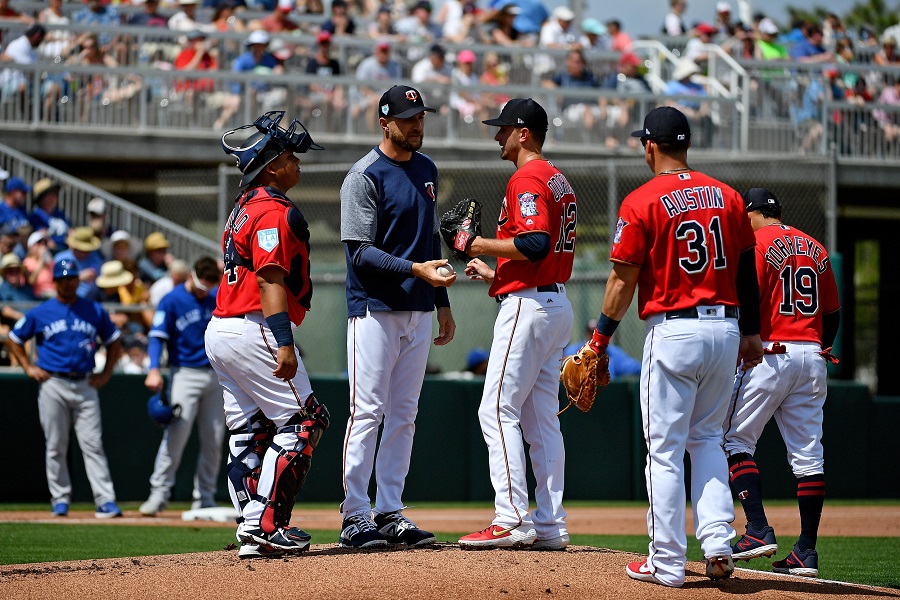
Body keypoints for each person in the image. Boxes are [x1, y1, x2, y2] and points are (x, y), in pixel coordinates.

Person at [588, 106, 763, 587]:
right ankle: (718, 543)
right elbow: (747, 268)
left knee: (664, 451)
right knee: (707, 439)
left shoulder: (642, 200)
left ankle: (665, 561)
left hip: (675, 330)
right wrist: (752, 330)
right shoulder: (728, 196)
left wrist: (599, 339)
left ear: (650, 146)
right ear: (686, 146)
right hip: (726, 330)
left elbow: (623, 281)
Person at [206, 110, 330, 559]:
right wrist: (283, 341)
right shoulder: (271, 210)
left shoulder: (242, 207)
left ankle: (249, 526)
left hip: (222, 328)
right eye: (293, 157)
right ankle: (264, 523)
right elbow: (269, 280)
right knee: (305, 421)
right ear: (273, 163)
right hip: (253, 324)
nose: (298, 164)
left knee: (249, 432)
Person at [338, 84, 456, 549]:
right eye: (408, 118)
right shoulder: (364, 175)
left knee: (404, 414)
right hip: (375, 307)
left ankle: (389, 511)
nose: (417, 124)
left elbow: (430, 241)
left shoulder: (426, 168)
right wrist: (415, 271)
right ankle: (354, 514)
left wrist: (443, 304)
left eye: (421, 116)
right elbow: (359, 252)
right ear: (384, 123)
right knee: (367, 411)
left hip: (419, 308)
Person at [457, 98, 575, 551]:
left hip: (530, 308)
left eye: (503, 129)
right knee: (541, 419)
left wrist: (477, 243)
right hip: (551, 303)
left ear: (523, 133)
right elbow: (540, 255)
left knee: (496, 408)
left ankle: (510, 519)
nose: (497, 136)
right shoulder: (558, 179)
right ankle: (550, 523)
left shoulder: (527, 175)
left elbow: (535, 242)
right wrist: (496, 274)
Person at [723, 188, 840, 579]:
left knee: (734, 440)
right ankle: (806, 550)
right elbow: (833, 313)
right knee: (809, 458)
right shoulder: (816, 247)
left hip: (773, 352)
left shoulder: (756, 241)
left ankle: (757, 528)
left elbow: (746, 297)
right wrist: (819, 348)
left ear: (753, 213)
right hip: (814, 355)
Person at [5, 257, 125, 518]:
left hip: (84, 382)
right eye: (62, 279)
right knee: (56, 444)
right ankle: (60, 499)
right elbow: (13, 339)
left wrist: (106, 374)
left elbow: (114, 340)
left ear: (77, 279)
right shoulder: (41, 311)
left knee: (92, 444)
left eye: (71, 278)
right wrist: (27, 367)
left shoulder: (93, 310)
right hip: (53, 382)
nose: (67, 283)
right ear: (56, 282)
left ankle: (105, 500)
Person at [139, 256, 225, 516]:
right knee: (176, 436)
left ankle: (205, 497)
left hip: (215, 375)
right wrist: (154, 368)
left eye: (209, 287)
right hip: (184, 373)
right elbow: (157, 337)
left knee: (214, 439)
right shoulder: (172, 299)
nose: (204, 291)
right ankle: (159, 494)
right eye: (201, 286)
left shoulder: (217, 295)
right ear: (191, 276)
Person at [563, 320, 641, 380]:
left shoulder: (611, 352)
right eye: (591, 333)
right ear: (587, 334)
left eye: (595, 333)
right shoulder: (574, 350)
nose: (593, 336)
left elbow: (632, 366)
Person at [56, 226, 104, 300]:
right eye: (81, 250)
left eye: (88, 250)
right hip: (69, 302)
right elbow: (61, 281)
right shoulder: (63, 260)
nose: (85, 253)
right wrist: (79, 278)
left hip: (93, 301)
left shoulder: (95, 257)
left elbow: (101, 275)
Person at [28, 178, 70, 252]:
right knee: (64, 263)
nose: (53, 197)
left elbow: (70, 232)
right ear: (41, 198)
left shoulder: (59, 213)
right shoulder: (37, 216)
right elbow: (43, 236)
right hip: (52, 252)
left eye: (55, 194)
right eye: (49, 195)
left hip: (66, 250)